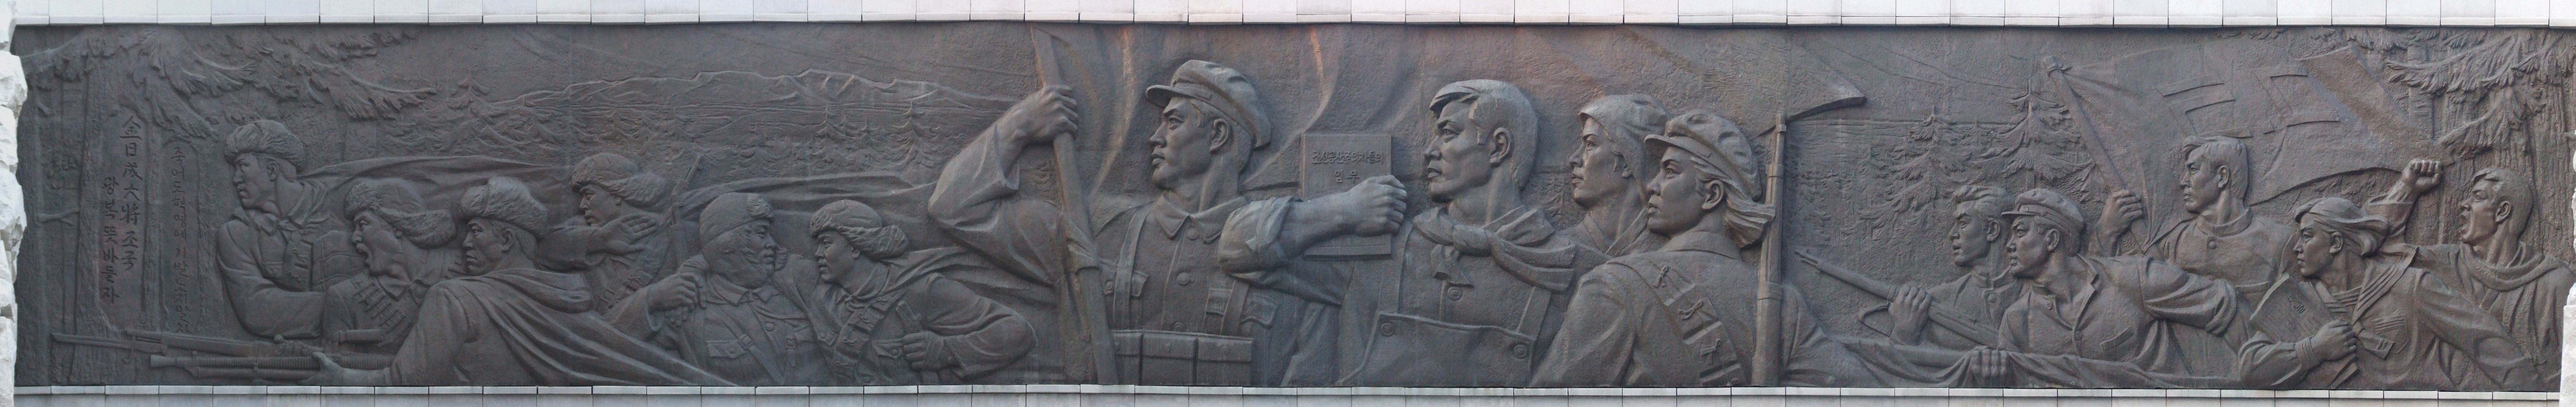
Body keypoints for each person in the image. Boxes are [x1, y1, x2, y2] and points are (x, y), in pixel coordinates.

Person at [931, 61, 1399, 385]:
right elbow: (955, 206)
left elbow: (1315, 379)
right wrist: (1018, 126)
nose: (1154, 137)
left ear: (1217, 135)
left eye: (1173, 122)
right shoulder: (1100, 228)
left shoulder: (1298, 252)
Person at [1532, 111, 1871, 387]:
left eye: (1670, 172)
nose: (1652, 184)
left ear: (1712, 196)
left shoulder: (1614, 287)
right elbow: (1864, 393)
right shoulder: (1785, 304)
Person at [305, 177, 731, 386]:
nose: (464, 242)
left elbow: (405, 382)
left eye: (476, 232)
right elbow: (605, 346)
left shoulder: (454, 297)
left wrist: (339, 377)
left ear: (507, 238)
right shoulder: (568, 293)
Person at [1337, 80, 1606, 387]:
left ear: (1498, 147)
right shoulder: (1387, 253)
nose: (1429, 152)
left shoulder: (1582, 273)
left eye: (1448, 134)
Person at [2266, 196, 2538, 390]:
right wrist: (2313, 350)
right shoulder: (2300, 300)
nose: (2297, 249)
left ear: (2337, 243)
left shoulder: (2412, 286)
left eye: (2307, 237)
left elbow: (2485, 340)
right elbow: (2251, 366)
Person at [608, 192, 831, 386]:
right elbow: (605, 346)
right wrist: (651, 298)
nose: (772, 244)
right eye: (762, 233)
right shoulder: (688, 308)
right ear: (729, 243)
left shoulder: (796, 286)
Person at [806, 199, 1036, 385]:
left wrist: (945, 351)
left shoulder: (924, 290)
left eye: (827, 243)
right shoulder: (823, 301)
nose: (817, 254)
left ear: (856, 246)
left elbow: (1017, 331)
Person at [2380, 166, 2572, 386]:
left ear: (2502, 212)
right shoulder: (2444, 263)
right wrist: (2407, 189)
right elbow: (2379, 250)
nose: (2465, 205)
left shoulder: (2555, 283)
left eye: (2478, 197)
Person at [216, 120, 361, 339]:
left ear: (272, 170)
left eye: (243, 167)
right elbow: (257, 309)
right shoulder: (237, 235)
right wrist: (346, 304)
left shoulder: (341, 214)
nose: (236, 179)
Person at [1876, 185, 2024, 349]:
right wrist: (1904, 335)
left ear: (1992, 230)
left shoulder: (2033, 298)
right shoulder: (1939, 300)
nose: (1952, 234)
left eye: (1963, 224)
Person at [321, 179, 454, 355]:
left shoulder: (458, 271)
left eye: (363, 225)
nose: (355, 238)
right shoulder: (346, 298)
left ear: (398, 226)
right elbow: (337, 369)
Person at [541, 153, 675, 307]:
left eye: (589, 195)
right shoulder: (584, 230)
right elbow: (542, 250)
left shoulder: (665, 235)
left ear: (617, 193)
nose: (582, 205)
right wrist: (601, 239)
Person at [1562, 94, 1671, 257]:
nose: (1575, 159)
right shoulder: (1561, 248)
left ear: (1628, 161)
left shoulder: (1668, 253)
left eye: (1591, 145)